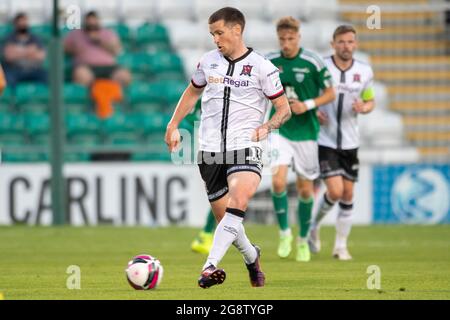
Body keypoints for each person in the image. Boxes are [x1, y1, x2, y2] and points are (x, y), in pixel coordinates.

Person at [165, 7, 291, 288]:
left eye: (219, 32)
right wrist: (173, 125)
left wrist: (268, 127)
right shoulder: (208, 62)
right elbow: (192, 92)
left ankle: (209, 267)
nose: (215, 39)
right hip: (208, 150)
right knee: (228, 222)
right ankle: (251, 256)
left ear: (237, 30)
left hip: (245, 145)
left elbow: (284, 109)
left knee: (239, 199)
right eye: (212, 34)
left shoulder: (262, 67)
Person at [267, 17, 335, 262]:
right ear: (278, 38)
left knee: (306, 189)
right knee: (277, 182)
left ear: (298, 37)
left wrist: (307, 105)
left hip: (307, 133)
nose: (286, 44)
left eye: (291, 39)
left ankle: (303, 239)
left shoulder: (313, 61)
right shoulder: (269, 61)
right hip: (280, 130)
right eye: (282, 39)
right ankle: (284, 232)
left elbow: (330, 92)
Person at [308, 25, 375, 260]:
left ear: (355, 44)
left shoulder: (365, 71)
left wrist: (364, 107)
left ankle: (340, 246)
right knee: (335, 191)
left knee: (348, 194)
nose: (346, 46)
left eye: (350, 42)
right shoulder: (322, 67)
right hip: (325, 140)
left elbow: (370, 100)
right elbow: (309, 95)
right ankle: (314, 226)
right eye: (342, 42)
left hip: (351, 142)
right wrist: (314, 111)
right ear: (333, 43)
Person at [64, 11, 131, 87]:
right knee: (81, 75)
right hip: (86, 67)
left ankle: (114, 96)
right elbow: (64, 48)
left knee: (124, 76)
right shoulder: (75, 34)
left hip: (109, 67)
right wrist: (75, 49)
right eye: (89, 24)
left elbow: (117, 50)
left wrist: (100, 41)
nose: (92, 26)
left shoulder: (108, 33)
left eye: (94, 24)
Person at [1, 13, 47, 88]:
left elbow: (41, 56)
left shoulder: (35, 38)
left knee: (48, 77)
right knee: (7, 78)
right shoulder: (9, 38)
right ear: (15, 24)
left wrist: (17, 51)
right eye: (20, 22)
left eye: (24, 21)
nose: (22, 24)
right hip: (15, 70)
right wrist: (30, 51)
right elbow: (8, 56)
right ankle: (12, 99)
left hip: (34, 70)